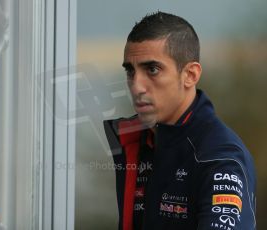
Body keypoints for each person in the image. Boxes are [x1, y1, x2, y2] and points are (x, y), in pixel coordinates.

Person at [103, 11, 256, 230]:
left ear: (190, 75)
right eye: (130, 71)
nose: (136, 86)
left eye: (152, 69)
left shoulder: (219, 158)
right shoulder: (140, 141)